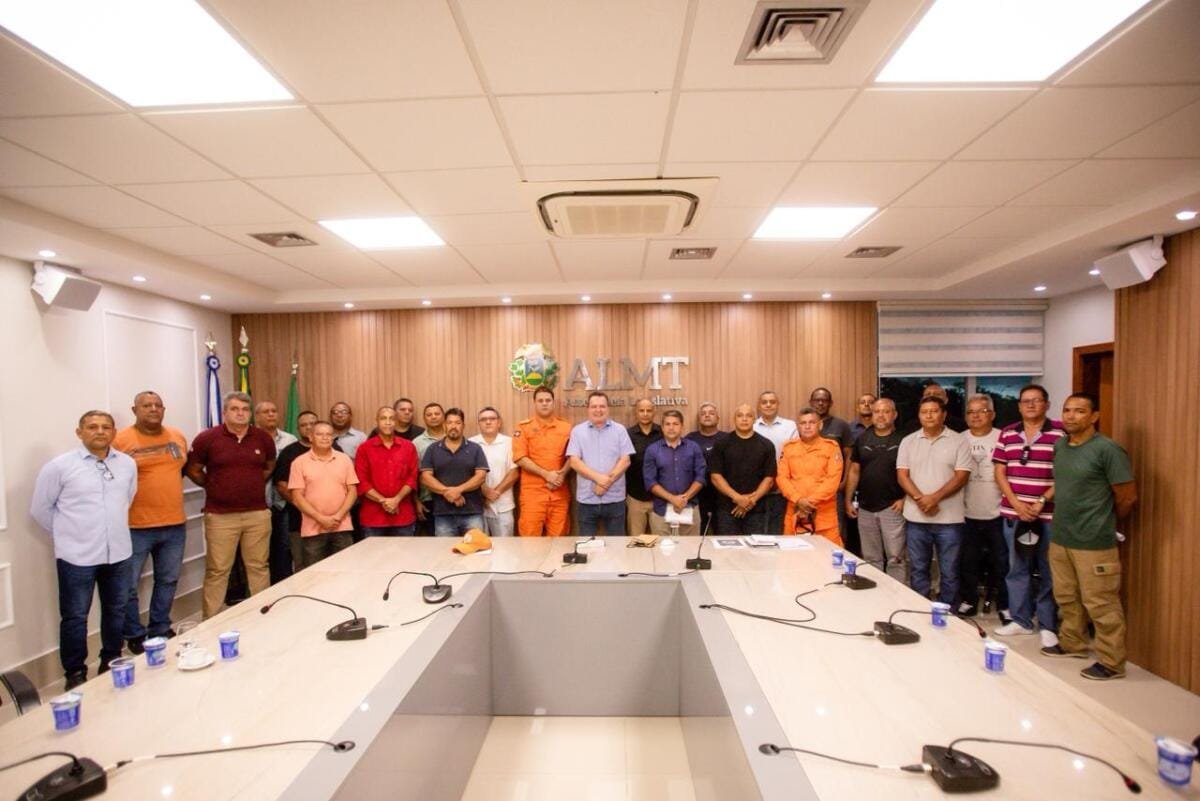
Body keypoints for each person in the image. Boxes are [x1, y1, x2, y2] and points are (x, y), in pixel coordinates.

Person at [31, 410, 136, 690]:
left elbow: (127, 498)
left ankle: (111, 659)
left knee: (116, 609)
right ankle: (75, 672)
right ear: (79, 432)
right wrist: (71, 534)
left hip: (119, 552)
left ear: (114, 432)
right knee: (76, 616)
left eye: (105, 427)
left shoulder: (127, 464)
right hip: (77, 556)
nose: (100, 431)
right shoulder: (59, 467)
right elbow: (40, 509)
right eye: (92, 427)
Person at [1045, 393, 1137, 681]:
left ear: (1094, 416)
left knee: (1100, 602)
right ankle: (1073, 643)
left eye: (1080, 411)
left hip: (1094, 541)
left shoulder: (1107, 450)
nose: (1071, 416)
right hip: (1061, 536)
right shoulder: (1061, 446)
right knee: (1066, 596)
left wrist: (1105, 521)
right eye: (1067, 410)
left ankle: (1112, 662)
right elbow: (1063, 484)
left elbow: (1127, 497)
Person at [185, 391, 276, 619]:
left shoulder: (262, 438)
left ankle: (262, 616)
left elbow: (269, 466)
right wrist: (214, 485)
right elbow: (193, 470)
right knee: (218, 570)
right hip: (220, 516)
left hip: (257, 514)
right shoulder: (207, 438)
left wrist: (250, 483)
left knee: (258, 566)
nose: (240, 413)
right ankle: (211, 620)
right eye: (235, 409)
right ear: (225, 412)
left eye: (245, 409)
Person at [112, 391, 188, 654]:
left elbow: (179, 471)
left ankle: (160, 627)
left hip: (174, 523)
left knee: (168, 580)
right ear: (135, 410)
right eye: (146, 405)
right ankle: (134, 633)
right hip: (135, 526)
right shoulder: (120, 440)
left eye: (158, 405)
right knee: (128, 586)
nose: (153, 409)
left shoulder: (177, 436)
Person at [992, 384, 1066, 644]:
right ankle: (1021, 620)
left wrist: (1042, 500)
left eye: (1036, 400)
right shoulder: (1008, 433)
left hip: (1049, 515)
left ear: (1047, 404)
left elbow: (1066, 473)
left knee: (1049, 569)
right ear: (1019, 406)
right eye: (1026, 401)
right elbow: (1000, 471)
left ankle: (1047, 624)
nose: (1031, 405)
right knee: (1017, 568)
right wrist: (1016, 503)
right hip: (1014, 514)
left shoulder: (1060, 433)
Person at [896, 397, 971, 604]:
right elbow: (902, 476)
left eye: (934, 411)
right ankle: (921, 610)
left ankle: (948, 612)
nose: (928, 415)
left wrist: (934, 498)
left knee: (949, 571)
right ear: (919, 416)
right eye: (924, 412)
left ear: (944, 415)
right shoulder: (908, 441)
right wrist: (921, 500)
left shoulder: (959, 440)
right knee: (918, 569)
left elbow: (961, 476)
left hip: (950, 520)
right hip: (916, 519)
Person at [846, 398, 907, 582]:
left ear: (894, 415)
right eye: (877, 412)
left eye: (886, 411)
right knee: (871, 558)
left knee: (896, 557)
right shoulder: (862, 439)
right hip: (865, 508)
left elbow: (913, 472)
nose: (881, 415)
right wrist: (848, 500)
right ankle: (876, 591)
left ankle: (897, 594)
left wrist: (905, 498)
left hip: (893, 507)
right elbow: (854, 470)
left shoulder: (904, 440)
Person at [273, 411, 343, 570]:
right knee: (305, 567)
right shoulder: (289, 452)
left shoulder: (336, 450)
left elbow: (347, 484)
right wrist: (307, 508)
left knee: (338, 566)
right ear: (298, 429)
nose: (309, 427)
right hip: (300, 520)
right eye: (304, 425)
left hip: (335, 521)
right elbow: (282, 485)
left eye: (312, 424)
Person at [958, 394, 1008, 618]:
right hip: (966, 513)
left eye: (982, 411)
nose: (975, 416)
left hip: (998, 512)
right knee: (968, 561)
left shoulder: (1003, 438)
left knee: (1002, 563)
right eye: (971, 412)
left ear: (992, 414)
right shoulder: (959, 439)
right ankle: (968, 600)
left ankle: (1005, 605)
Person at [287, 421, 358, 566]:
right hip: (313, 529)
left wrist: (338, 517)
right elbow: (297, 497)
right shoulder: (299, 462)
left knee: (345, 570)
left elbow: (353, 491)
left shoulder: (344, 459)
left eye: (328, 434)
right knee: (315, 573)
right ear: (311, 437)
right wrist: (320, 518)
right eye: (320, 434)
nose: (325, 437)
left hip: (342, 526)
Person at [566, 391, 635, 536]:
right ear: (588, 409)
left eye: (602, 406)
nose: (598, 410)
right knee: (586, 544)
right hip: (587, 500)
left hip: (615, 499)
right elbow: (574, 462)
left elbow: (625, 460)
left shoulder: (620, 430)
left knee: (617, 545)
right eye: (594, 406)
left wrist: (605, 484)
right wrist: (599, 479)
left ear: (608, 408)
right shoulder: (577, 431)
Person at [777, 407, 843, 544]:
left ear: (820, 425)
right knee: (792, 554)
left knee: (828, 555)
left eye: (812, 422)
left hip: (823, 516)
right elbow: (781, 478)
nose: (807, 426)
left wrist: (809, 502)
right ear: (798, 426)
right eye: (803, 423)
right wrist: (798, 499)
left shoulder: (831, 447)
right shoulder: (789, 448)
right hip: (795, 513)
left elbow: (833, 480)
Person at [512, 387, 573, 536]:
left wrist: (561, 475)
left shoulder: (566, 427)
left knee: (559, 541)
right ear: (534, 403)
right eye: (540, 401)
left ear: (553, 403)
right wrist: (546, 475)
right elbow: (520, 458)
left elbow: (574, 456)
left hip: (559, 493)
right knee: (530, 541)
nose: (544, 403)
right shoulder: (523, 427)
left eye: (548, 400)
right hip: (532, 495)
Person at [420, 408, 489, 536]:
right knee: (444, 548)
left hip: (472, 513)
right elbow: (425, 478)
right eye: (450, 422)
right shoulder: (433, 449)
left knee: (475, 547)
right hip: (443, 514)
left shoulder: (475, 448)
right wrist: (447, 492)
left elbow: (481, 477)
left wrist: (458, 490)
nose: (453, 426)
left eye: (457, 423)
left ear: (463, 426)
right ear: (444, 425)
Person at [710, 404, 777, 535]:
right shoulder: (721, 444)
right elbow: (715, 477)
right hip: (727, 509)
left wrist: (751, 500)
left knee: (755, 547)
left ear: (754, 419)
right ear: (734, 419)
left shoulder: (766, 445)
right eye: (740, 416)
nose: (744, 419)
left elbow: (769, 479)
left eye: (749, 416)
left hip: (756, 509)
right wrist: (737, 498)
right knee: (727, 547)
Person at [355, 406, 419, 536]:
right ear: (377, 421)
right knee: (372, 551)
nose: (388, 422)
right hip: (373, 518)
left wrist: (397, 499)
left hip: (403, 516)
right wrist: (384, 501)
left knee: (405, 550)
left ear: (396, 422)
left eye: (391, 419)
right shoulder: (364, 449)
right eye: (383, 418)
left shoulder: (408, 447)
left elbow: (412, 478)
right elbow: (362, 481)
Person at [644, 410, 707, 537]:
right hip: (662, 511)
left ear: (682, 427)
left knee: (690, 548)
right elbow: (650, 482)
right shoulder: (652, 450)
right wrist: (672, 499)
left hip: (689, 508)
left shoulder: (693, 447)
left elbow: (700, 477)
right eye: (667, 424)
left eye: (675, 424)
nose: (671, 427)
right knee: (663, 548)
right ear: (662, 427)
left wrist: (684, 498)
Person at [254, 400, 297, 584]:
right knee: (258, 552)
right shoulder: (251, 439)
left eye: (274, 411)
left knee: (284, 548)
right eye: (266, 412)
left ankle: (284, 587)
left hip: (283, 503)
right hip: (258, 503)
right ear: (256, 416)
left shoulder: (290, 440)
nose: (271, 414)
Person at [810, 387, 855, 549]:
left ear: (830, 403)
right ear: (811, 402)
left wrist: (844, 481)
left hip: (835, 489)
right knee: (809, 530)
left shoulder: (841, 425)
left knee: (836, 530)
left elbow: (849, 455)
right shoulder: (806, 424)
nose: (820, 403)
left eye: (824, 400)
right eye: (817, 400)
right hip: (810, 489)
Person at [470, 407, 519, 537]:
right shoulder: (470, 443)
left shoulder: (509, 442)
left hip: (503, 504)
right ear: (479, 423)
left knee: (505, 546)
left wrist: (495, 493)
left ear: (499, 422)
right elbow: (467, 472)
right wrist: (485, 491)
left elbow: (514, 472)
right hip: (477, 505)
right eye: (483, 419)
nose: (488, 422)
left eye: (492, 418)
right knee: (478, 545)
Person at [753, 391, 797, 533]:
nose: (768, 405)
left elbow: (795, 456)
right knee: (757, 531)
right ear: (759, 405)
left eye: (772, 402)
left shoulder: (790, 426)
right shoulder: (752, 427)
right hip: (757, 488)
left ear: (778, 405)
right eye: (764, 402)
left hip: (783, 488)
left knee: (778, 530)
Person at [685, 402, 725, 534]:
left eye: (711, 413)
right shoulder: (689, 439)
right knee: (697, 533)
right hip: (697, 494)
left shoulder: (727, 438)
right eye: (703, 413)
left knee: (721, 532)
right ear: (699, 419)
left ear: (718, 418)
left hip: (722, 495)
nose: (707, 416)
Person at [625, 398, 662, 535]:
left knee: (661, 540)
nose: (645, 414)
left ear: (654, 412)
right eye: (641, 410)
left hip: (660, 497)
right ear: (636, 412)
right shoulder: (627, 434)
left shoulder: (663, 433)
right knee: (636, 539)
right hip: (635, 496)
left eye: (649, 410)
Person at [412, 402, 446, 535]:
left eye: (437, 413)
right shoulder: (416, 443)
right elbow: (412, 475)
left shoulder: (454, 437)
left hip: (456, 497)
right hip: (428, 499)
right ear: (424, 418)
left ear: (443, 416)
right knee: (435, 541)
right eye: (429, 414)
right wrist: (416, 501)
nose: (433, 417)